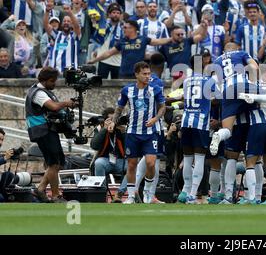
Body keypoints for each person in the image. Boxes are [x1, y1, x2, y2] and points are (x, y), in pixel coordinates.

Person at [109, 61, 166, 204]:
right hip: (133, 132)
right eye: (144, 74)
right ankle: (130, 196)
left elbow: (163, 107)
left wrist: (155, 118)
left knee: (151, 163)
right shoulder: (127, 90)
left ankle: (147, 192)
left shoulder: (155, 89)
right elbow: (119, 108)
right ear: (136, 75)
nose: (147, 76)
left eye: (149, 74)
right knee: (132, 164)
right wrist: (113, 122)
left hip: (151, 132)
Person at [25, 67, 77, 203]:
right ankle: (55, 196)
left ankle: (40, 189)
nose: (55, 84)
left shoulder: (42, 91)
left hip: (47, 130)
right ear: (46, 80)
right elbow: (53, 107)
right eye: (53, 81)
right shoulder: (38, 93)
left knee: (59, 163)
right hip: (42, 130)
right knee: (54, 163)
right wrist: (66, 103)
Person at [179, 54, 217, 204]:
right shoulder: (209, 81)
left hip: (186, 121)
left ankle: (185, 190)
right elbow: (216, 100)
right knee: (199, 159)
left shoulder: (186, 81)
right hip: (200, 123)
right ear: (204, 64)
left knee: (187, 159)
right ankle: (192, 193)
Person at [87, 20, 172, 78]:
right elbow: (108, 53)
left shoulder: (143, 39)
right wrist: (95, 60)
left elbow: (158, 41)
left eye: (125, 28)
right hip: (124, 73)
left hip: (139, 74)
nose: (123, 29)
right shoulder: (122, 41)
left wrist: (171, 39)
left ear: (133, 28)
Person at [90, 107, 127, 203]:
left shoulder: (122, 129)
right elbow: (94, 145)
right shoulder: (100, 129)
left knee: (133, 166)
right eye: (110, 120)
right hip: (106, 160)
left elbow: (129, 148)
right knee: (98, 163)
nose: (112, 123)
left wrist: (123, 133)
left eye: (114, 120)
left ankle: (119, 194)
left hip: (121, 161)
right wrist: (104, 130)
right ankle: (102, 193)